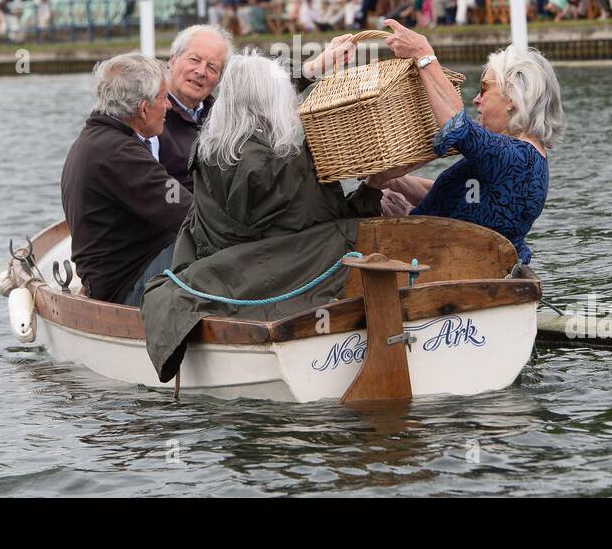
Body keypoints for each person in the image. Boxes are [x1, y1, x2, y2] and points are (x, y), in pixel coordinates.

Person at [140, 51, 384, 383]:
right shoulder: (288, 164)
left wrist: (311, 69)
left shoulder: (207, 152)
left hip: (220, 271)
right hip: (274, 279)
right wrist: (374, 187)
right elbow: (329, 226)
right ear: (275, 102)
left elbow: (252, 96)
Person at [371, 20, 561, 267]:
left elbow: (457, 127)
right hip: (458, 260)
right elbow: (455, 198)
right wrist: (396, 181)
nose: (476, 99)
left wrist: (423, 54)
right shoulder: (523, 157)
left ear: (512, 97)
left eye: (484, 89)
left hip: (439, 269)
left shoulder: (515, 156)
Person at [60, 53, 193, 307]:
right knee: (219, 245)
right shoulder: (119, 154)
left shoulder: (98, 140)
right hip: (127, 287)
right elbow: (189, 212)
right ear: (143, 109)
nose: (169, 107)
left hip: (115, 278)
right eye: (164, 98)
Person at [157, 24, 233, 192]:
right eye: (194, 60)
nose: (201, 71)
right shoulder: (148, 115)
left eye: (212, 67)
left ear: (220, 79)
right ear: (173, 60)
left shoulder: (224, 118)